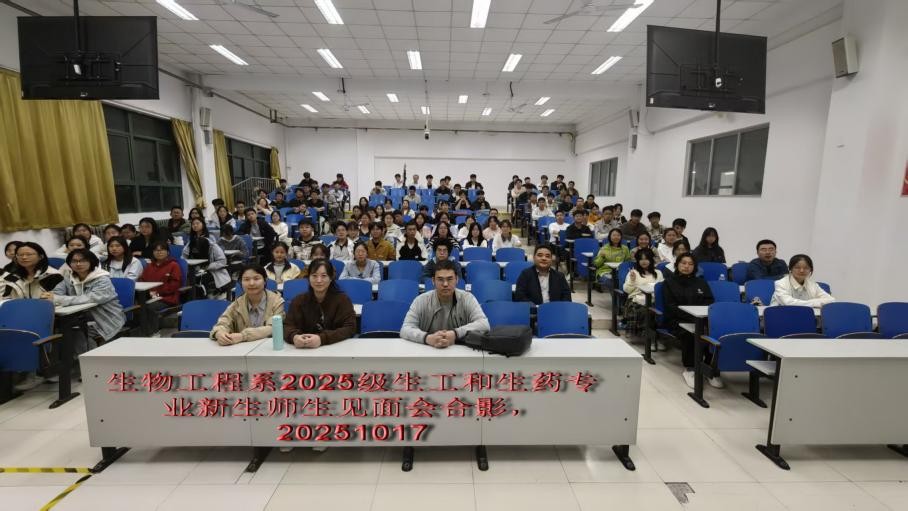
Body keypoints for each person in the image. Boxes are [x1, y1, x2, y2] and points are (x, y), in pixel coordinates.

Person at [401, 260, 489, 347]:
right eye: (440, 279)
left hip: (460, 350)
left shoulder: (468, 298)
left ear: (457, 279)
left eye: (450, 279)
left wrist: (455, 334)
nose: (445, 284)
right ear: (433, 281)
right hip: (429, 349)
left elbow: (484, 324)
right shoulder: (420, 300)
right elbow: (405, 329)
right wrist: (427, 338)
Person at [52, 249, 126, 353]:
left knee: (78, 333)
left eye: (83, 260)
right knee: (63, 330)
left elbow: (90, 298)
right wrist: (52, 297)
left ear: (91, 261)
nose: (78, 264)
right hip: (78, 317)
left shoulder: (102, 279)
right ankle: (74, 358)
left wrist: (60, 299)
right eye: (74, 261)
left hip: (104, 318)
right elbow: (55, 294)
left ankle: (90, 358)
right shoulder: (68, 277)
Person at [663, 253, 719, 389]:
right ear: (677, 265)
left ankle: (709, 369)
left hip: (700, 319)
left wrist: (699, 317)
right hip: (678, 320)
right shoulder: (669, 282)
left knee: (715, 332)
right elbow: (670, 307)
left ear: (695, 267)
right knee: (691, 333)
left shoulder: (701, 282)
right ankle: (690, 369)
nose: (687, 266)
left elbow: (710, 302)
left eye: (690, 264)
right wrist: (692, 317)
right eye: (683, 263)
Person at [285, 259, 356, 348]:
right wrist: (294, 337)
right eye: (314, 276)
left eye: (324, 276)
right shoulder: (298, 300)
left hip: (335, 348)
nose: (319, 280)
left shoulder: (343, 300)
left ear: (331, 278)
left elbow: (350, 328)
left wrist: (322, 339)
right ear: (308, 278)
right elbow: (288, 326)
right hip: (305, 350)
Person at [138, 242, 182, 336]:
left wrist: (157, 293)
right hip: (150, 296)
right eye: (156, 250)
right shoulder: (150, 266)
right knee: (137, 306)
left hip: (167, 298)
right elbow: (142, 280)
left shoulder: (173, 265)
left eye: (162, 250)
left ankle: (154, 333)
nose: (159, 252)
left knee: (150, 307)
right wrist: (149, 293)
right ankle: (141, 333)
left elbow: (174, 285)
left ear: (168, 252)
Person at [184, 218, 232, 297]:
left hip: (212, 271)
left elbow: (222, 260)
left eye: (197, 223)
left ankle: (204, 298)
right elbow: (183, 256)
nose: (195, 225)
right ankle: (193, 299)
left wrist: (208, 267)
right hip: (196, 269)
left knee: (200, 279)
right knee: (187, 279)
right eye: (193, 224)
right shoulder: (191, 242)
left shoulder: (212, 244)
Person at [622, 247, 664, 336]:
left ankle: (656, 336)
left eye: (646, 259)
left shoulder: (658, 273)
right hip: (636, 300)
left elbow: (661, 288)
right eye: (641, 259)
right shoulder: (633, 272)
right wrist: (632, 280)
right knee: (646, 311)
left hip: (654, 300)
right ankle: (647, 337)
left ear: (651, 260)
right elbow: (626, 290)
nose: (643, 261)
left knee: (659, 310)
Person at [770, 254, 835, 307]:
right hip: (781, 315)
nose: (802, 271)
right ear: (790, 269)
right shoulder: (780, 283)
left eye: (806, 268)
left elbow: (831, 300)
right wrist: (814, 303)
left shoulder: (813, 284)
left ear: (810, 270)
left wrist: (809, 303)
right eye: (797, 267)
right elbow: (788, 303)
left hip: (806, 315)